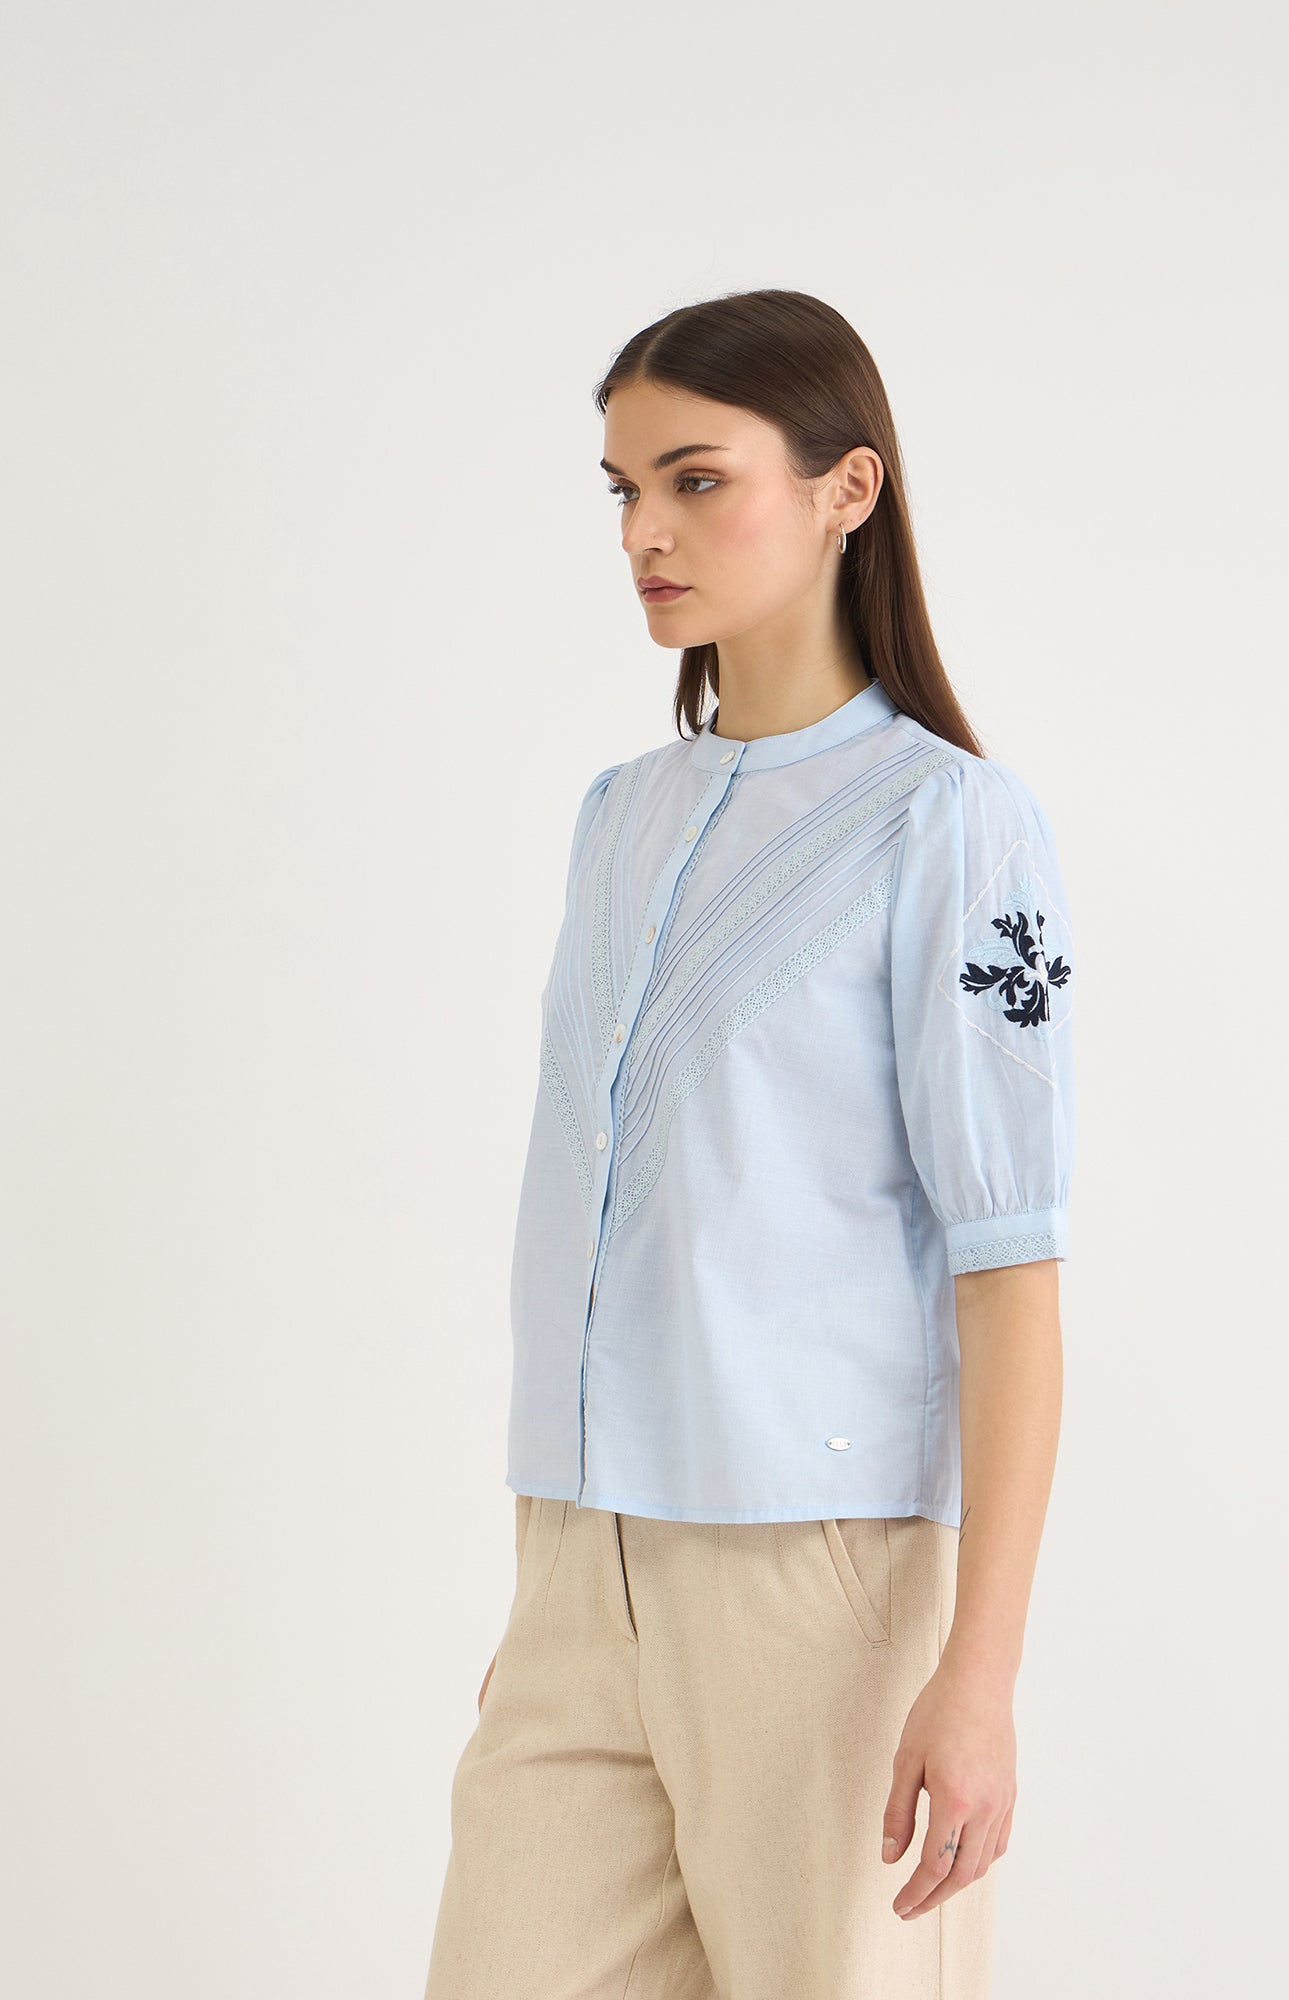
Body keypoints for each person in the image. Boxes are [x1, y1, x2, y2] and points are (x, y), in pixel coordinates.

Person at [422, 288, 1077, 2000]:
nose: (644, 532)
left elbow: (1010, 1272)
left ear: (849, 489)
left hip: (820, 1588)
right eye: (624, 489)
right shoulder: (620, 817)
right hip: (580, 1571)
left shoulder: (950, 826)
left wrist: (978, 1674)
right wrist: (565, 1599)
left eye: (696, 481)